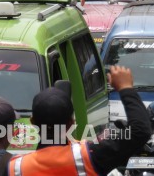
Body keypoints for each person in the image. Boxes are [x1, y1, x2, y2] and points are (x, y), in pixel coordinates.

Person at [8, 65, 151, 176]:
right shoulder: (89, 156)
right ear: (72, 123)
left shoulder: (14, 168)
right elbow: (140, 131)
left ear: (33, 122)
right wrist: (125, 88)